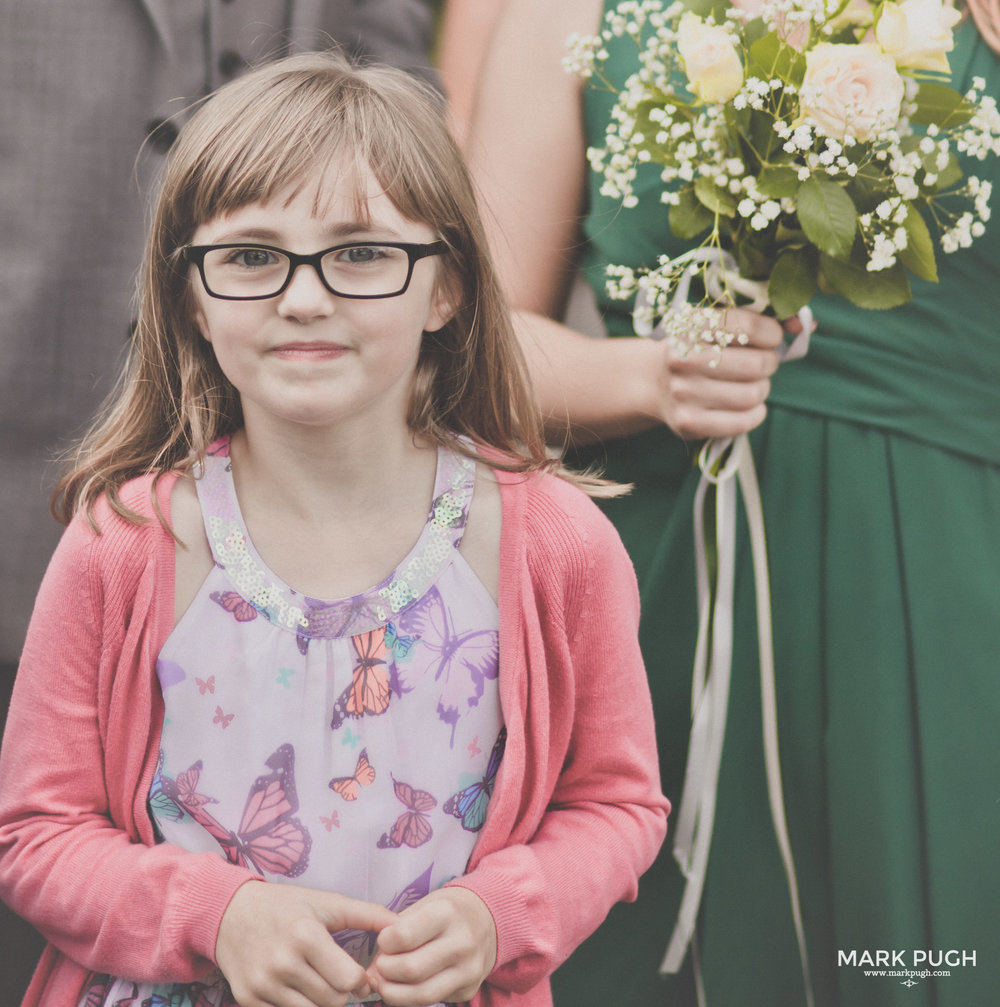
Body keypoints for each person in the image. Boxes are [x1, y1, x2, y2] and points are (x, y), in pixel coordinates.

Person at [0, 52, 668, 1007]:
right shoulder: (127, 542)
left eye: (361, 252)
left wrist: (500, 914)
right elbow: (36, 834)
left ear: (447, 289)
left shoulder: (553, 544)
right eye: (250, 255)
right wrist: (217, 916)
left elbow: (616, 803)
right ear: (192, 294)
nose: (303, 295)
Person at [465, 1, 1000, 1005]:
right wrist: (647, 376)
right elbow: (468, 343)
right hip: (666, 589)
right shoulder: (565, 16)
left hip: (958, 594)